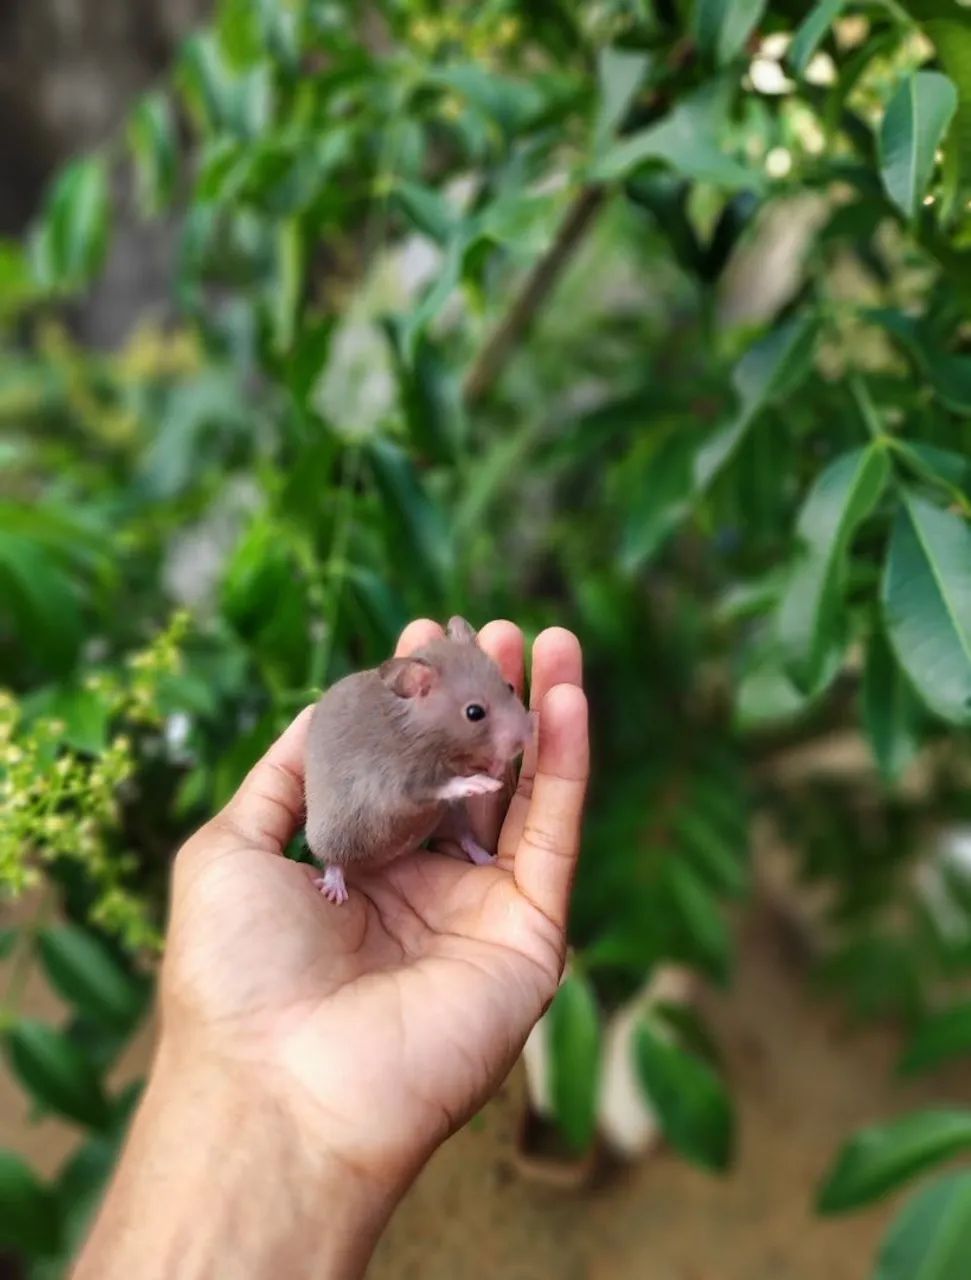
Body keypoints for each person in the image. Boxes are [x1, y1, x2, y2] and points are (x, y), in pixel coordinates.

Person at [73, 619, 589, 1280]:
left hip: (420, 812)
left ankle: (462, 840)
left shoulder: (434, 714)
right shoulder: (395, 737)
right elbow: (405, 789)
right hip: (356, 831)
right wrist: (453, 785)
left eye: (503, 699)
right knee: (388, 815)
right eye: (477, 712)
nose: (513, 722)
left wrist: (475, 760)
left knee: (461, 795)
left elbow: (463, 758)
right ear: (415, 688)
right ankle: (342, 865)